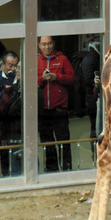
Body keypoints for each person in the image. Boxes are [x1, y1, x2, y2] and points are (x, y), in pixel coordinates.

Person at [37, 36, 75, 172]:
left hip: (59, 109)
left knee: (63, 142)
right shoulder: (36, 60)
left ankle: (67, 170)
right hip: (43, 111)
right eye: (44, 44)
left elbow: (72, 79)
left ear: (53, 44)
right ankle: (51, 171)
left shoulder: (62, 59)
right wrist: (42, 78)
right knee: (48, 144)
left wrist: (57, 77)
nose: (47, 47)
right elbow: (30, 82)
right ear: (39, 45)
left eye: (49, 43)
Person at [0, 51, 22, 175]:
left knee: (18, 159)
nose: (13, 69)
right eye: (10, 65)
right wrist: (8, 90)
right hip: (1, 125)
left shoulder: (19, 78)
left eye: (15, 65)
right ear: (3, 65)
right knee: (4, 160)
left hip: (17, 125)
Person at [81, 41, 101, 140]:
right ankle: (95, 152)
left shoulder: (96, 57)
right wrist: (95, 82)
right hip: (92, 97)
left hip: (95, 96)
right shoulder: (90, 59)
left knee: (98, 126)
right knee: (95, 127)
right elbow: (87, 80)